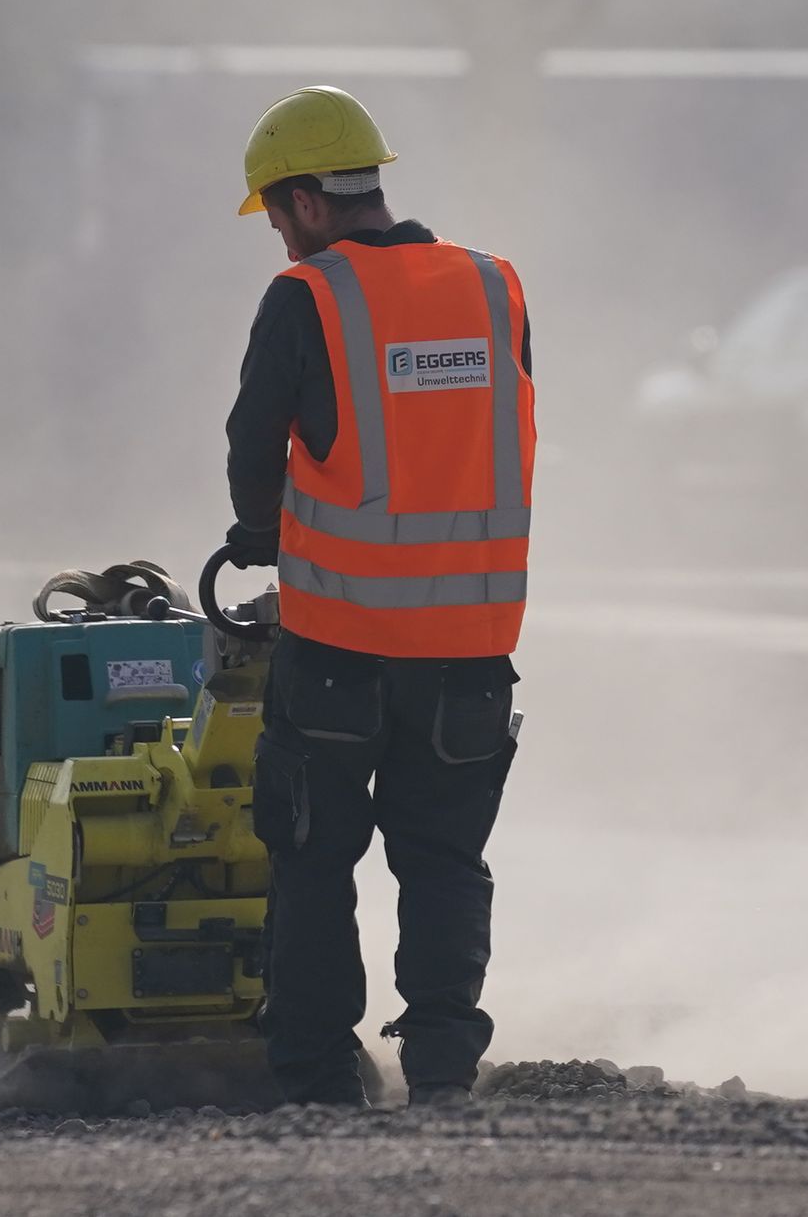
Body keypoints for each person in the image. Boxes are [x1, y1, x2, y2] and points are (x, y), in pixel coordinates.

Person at [223, 85, 536, 1108]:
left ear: (309, 202)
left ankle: (317, 1078)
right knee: (443, 859)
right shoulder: (496, 290)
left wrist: (258, 537)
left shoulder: (307, 296)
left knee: (313, 862)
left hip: (338, 649)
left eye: (274, 213)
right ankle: (443, 1063)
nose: (276, 236)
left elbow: (251, 442)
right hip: (470, 649)